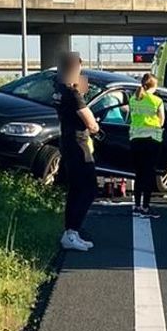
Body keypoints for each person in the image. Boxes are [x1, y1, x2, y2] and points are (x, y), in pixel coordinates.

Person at [56, 51, 99, 251]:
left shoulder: (60, 91)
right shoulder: (73, 95)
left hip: (68, 142)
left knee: (76, 188)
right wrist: (95, 126)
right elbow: (91, 123)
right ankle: (72, 231)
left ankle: (71, 232)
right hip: (78, 144)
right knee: (87, 188)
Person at [128, 72, 166, 218]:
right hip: (152, 139)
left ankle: (137, 205)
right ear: (154, 86)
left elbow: (131, 117)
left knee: (138, 174)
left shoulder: (133, 99)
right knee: (149, 174)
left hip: (136, 139)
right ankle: (146, 206)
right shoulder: (157, 101)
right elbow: (161, 121)